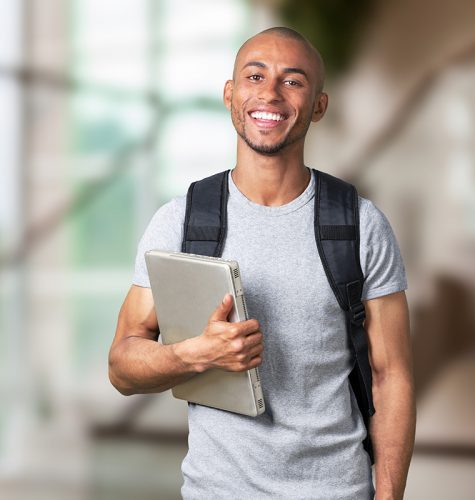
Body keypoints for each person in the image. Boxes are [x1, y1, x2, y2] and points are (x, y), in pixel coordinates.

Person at [109, 27, 416, 499]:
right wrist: (193, 355)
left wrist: (390, 495)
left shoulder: (360, 223)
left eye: (293, 81)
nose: (269, 92)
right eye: (255, 76)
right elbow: (122, 366)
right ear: (231, 95)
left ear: (318, 105)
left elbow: (391, 374)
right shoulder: (181, 221)